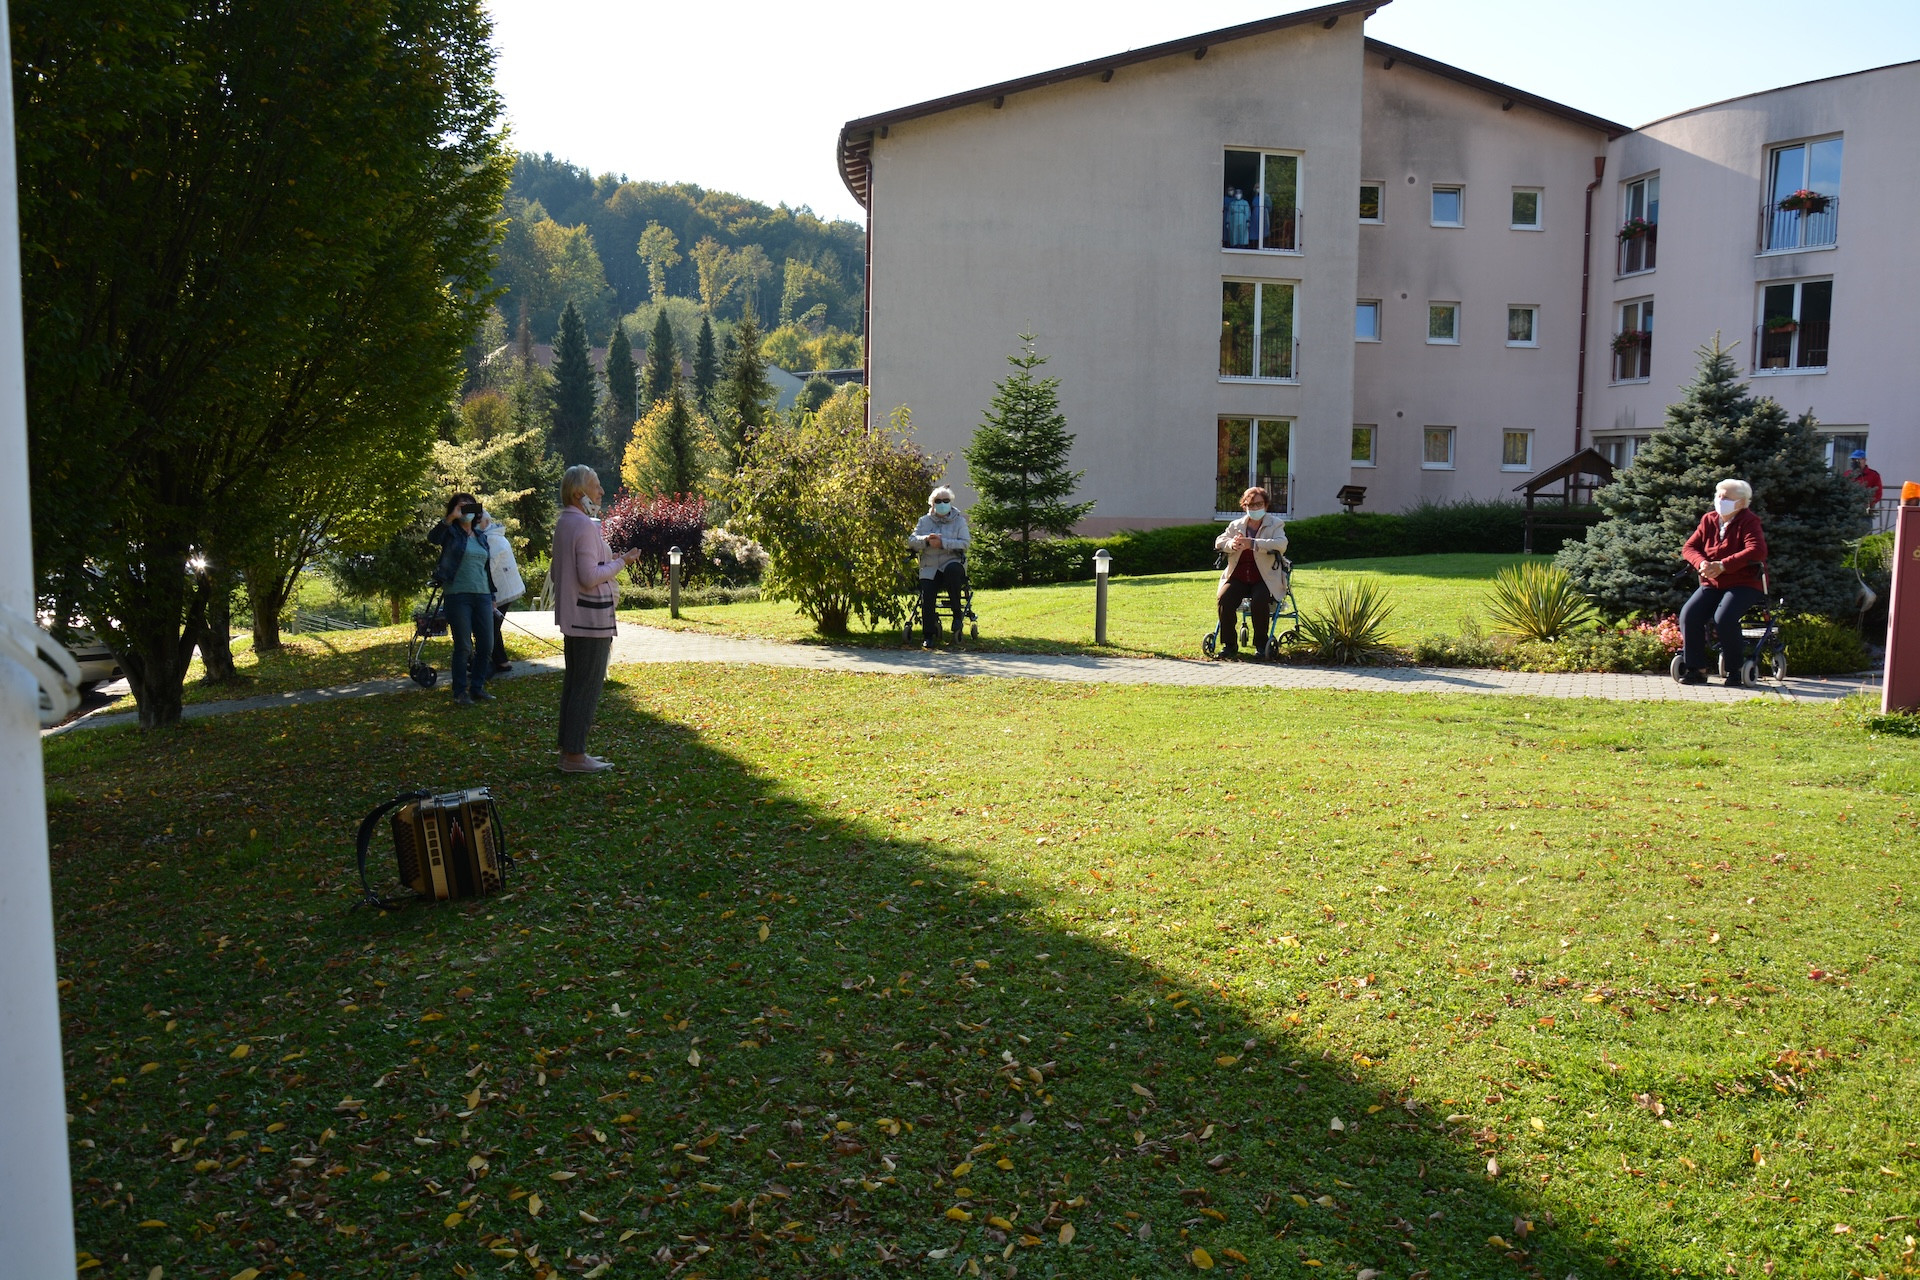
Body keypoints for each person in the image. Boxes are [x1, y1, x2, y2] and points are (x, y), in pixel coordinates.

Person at [551, 465, 643, 773]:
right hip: (590, 620)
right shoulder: (584, 526)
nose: (601, 492)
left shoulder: (565, 522)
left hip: (575, 617)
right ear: (579, 494)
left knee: (575, 683)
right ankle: (575, 757)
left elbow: (557, 572)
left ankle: (569, 752)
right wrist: (622, 561)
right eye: (597, 486)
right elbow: (590, 577)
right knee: (587, 686)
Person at [1677, 478, 1769, 687]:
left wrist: (1723, 565)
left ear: (1741, 502)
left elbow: (1757, 550)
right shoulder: (1709, 520)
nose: (1720, 500)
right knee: (1689, 614)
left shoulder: (1749, 521)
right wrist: (1701, 564)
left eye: (1726, 497)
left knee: (1724, 617)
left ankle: (1734, 670)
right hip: (1712, 582)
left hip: (1744, 582)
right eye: (1719, 495)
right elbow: (1689, 548)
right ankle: (1696, 669)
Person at [427, 492, 495, 705]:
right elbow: (433, 538)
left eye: (470, 506)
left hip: (482, 594)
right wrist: (451, 518)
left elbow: (486, 569)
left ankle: (477, 687)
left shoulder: (481, 536)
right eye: (461, 505)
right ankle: (459, 692)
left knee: (486, 645)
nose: (466, 508)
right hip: (458, 595)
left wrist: (492, 595)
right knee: (464, 645)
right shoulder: (450, 533)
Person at [1213, 486, 1289, 659]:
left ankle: (1261, 645)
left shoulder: (1275, 523)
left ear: (1266, 505)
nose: (1254, 508)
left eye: (1258, 504)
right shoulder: (1236, 525)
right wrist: (1232, 544)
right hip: (1238, 577)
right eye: (1250, 505)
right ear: (1244, 506)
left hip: (1264, 578)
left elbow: (1281, 544)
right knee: (1224, 598)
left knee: (1260, 601)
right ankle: (1229, 645)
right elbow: (1220, 541)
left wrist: (1253, 543)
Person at [909, 485, 971, 649]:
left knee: (952, 572)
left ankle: (957, 618)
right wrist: (927, 540)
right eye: (938, 501)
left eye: (946, 500)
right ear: (932, 504)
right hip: (930, 566)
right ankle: (928, 635)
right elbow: (911, 541)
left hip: (953, 563)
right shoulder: (924, 521)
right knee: (927, 593)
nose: (942, 503)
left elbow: (965, 543)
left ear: (950, 502)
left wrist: (943, 543)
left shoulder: (959, 520)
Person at [472, 507, 525, 677]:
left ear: (485, 523)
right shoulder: (492, 537)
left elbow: (488, 567)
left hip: (502, 592)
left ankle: (485, 665)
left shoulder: (493, 540)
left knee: (490, 628)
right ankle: (502, 662)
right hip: (502, 590)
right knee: (494, 626)